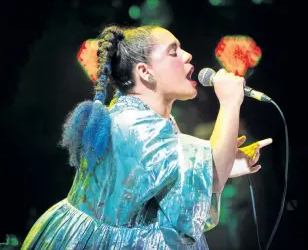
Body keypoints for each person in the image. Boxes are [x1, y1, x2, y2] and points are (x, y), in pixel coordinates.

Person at [22, 25, 272, 249]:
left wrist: (226, 164)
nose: (188, 56)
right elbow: (212, 177)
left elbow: (166, 173)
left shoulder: (140, 116)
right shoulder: (133, 124)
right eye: (174, 52)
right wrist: (230, 102)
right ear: (145, 71)